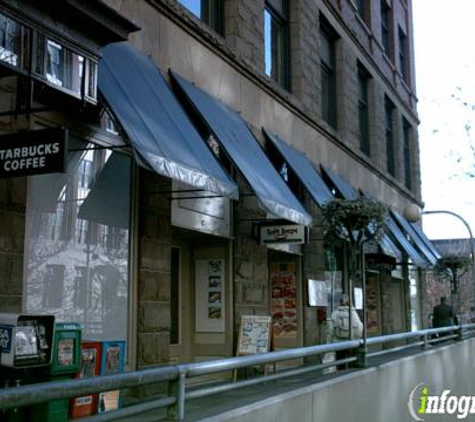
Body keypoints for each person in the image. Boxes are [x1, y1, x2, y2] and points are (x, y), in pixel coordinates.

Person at [329, 294, 363, 370]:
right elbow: (360, 327)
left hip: (338, 344)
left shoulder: (334, 314)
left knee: (340, 364)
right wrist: (357, 338)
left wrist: (329, 343)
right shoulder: (354, 314)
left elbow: (330, 330)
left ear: (340, 303)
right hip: (352, 342)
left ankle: (340, 376)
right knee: (352, 363)